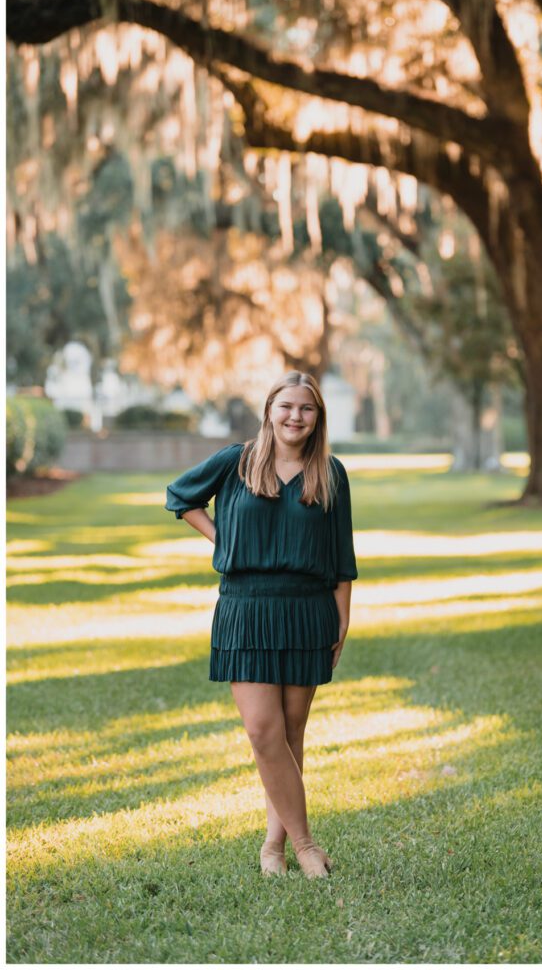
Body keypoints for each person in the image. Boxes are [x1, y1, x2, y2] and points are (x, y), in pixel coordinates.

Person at [164, 370, 358, 878]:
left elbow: (342, 561)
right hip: (245, 610)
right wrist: (224, 539)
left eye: (307, 409)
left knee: (292, 735)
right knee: (263, 731)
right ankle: (306, 845)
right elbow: (180, 497)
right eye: (286, 406)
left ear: (318, 417)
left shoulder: (330, 473)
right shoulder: (238, 462)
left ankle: (273, 847)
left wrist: (342, 621)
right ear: (269, 409)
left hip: (307, 612)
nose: (296, 417)